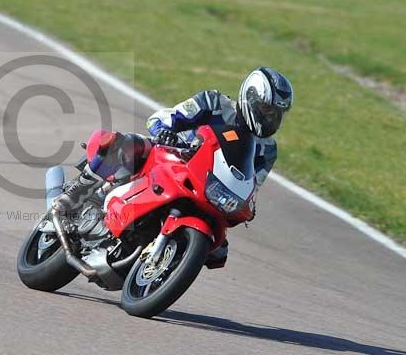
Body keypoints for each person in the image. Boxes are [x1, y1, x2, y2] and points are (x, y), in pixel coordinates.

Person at [52, 67, 294, 269]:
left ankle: (166, 260)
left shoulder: (267, 150)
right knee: (124, 144)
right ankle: (76, 191)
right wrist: (165, 132)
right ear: (249, 97)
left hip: (208, 188)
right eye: (266, 110)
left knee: (218, 252)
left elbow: (251, 184)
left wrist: (247, 205)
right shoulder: (213, 102)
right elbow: (164, 118)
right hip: (170, 159)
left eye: (277, 114)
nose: (271, 118)